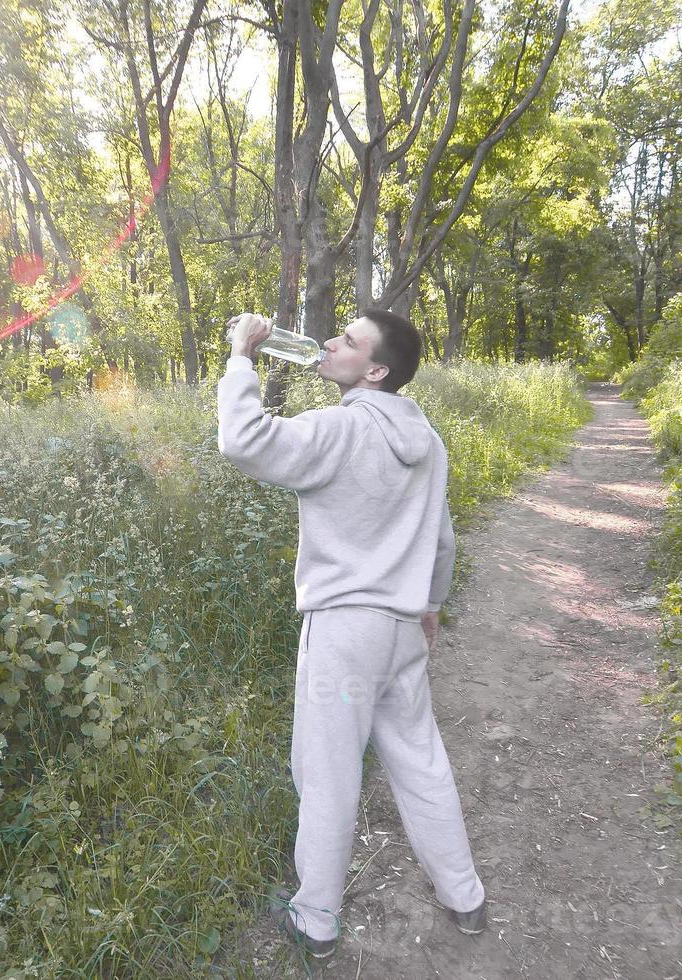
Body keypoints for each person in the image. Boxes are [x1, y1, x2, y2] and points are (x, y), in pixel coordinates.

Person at [217, 309, 486, 960]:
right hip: (402, 628)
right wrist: (431, 604)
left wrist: (242, 356)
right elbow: (443, 540)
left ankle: (316, 922)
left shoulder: (339, 427)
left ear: (375, 370)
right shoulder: (429, 438)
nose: (331, 343)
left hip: (344, 631)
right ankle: (467, 898)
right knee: (421, 761)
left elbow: (243, 442)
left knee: (328, 774)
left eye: (349, 340)